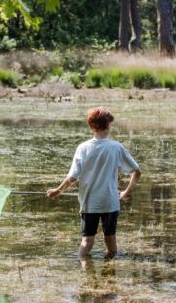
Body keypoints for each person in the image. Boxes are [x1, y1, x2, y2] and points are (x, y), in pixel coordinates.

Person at [47, 107, 141, 259]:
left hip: (89, 202)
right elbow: (137, 171)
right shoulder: (116, 147)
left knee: (87, 241)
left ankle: (85, 273)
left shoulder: (83, 148)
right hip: (110, 201)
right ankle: (109, 274)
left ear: (91, 127)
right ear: (109, 125)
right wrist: (126, 192)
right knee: (110, 240)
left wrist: (57, 191)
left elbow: (72, 177)